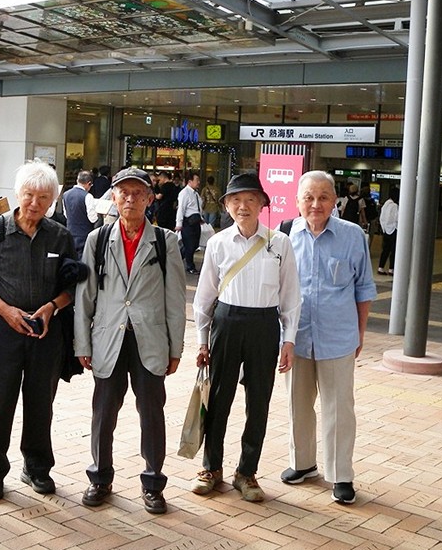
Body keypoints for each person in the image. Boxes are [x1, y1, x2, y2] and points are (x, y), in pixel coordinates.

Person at [74, 168, 185, 514]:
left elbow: (175, 299)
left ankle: (153, 483)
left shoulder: (165, 241)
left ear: (150, 199)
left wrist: (175, 348)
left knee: (151, 412)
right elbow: (85, 296)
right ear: (114, 197)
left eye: (138, 193)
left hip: (149, 340)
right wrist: (82, 344)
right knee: (103, 412)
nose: (131, 199)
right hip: (108, 338)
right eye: (124, 193)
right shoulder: (98, 240)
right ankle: (100, 477)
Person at [0, 162, 76, 500]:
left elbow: (73, 286)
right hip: (4, 330)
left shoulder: (60, 235)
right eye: (29, 195)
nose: (34, 203)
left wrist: (52, 306)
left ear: (52, 200)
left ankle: (36, 468)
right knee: (0, 404)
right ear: (18, 194)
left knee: (41, 404)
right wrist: (6, 310)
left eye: (43, 197)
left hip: (46, 333)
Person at [191, 172, 300, 502]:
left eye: (251, 199)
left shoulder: (279, 243)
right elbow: (204, 296)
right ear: (226, 205)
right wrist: (202, 339)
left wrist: (289, 340)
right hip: (226, 322)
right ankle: (211, 468)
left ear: (263, 204)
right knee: (218, 399)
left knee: (259, 402)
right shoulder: (218, 243)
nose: (243, 206)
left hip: (264, 325)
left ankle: (246, 472)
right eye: (236, 200)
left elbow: (291, 295)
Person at [281, 170, 376, 505]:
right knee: (297, 403)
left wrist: (360, 332)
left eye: (323, 197)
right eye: (308, 197)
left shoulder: (352, 236)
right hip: (296, 337)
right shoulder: (284, 236)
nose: (316, 204)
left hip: (338, 336)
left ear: (335, 200)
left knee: (339, 408)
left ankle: (341, 474)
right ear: (297, 201)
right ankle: (302, 463)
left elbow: (364, 288)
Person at [61, 170, 98, 257]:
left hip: (70, 231)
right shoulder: (87, 196)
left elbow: (66, 214)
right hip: (84, 234)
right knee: (83, 258)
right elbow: (92, 219)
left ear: (77, 180)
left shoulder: (65, 194)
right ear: (89, 183)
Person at [176, 171, 203, 273]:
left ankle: (177, 259)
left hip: (196, 222)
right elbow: (181, 209)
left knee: (194, 245)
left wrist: (201, 218)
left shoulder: (195, 193)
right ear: (190, 181)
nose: (198, 182)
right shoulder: (184, 193)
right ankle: (190, 266)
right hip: (188, 223)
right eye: (197, 180)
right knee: (190, 245)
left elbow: (198, 207)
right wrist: (179, 223)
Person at [377, 187, 399, 275]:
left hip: (385, 230)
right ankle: (391, 269)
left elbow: (382, 218)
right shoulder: (394, 206)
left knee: (385, 250)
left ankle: (380, 267)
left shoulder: (385, 204)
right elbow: (396, 218)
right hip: (393, 230)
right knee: (393, 250)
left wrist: (384, 228)